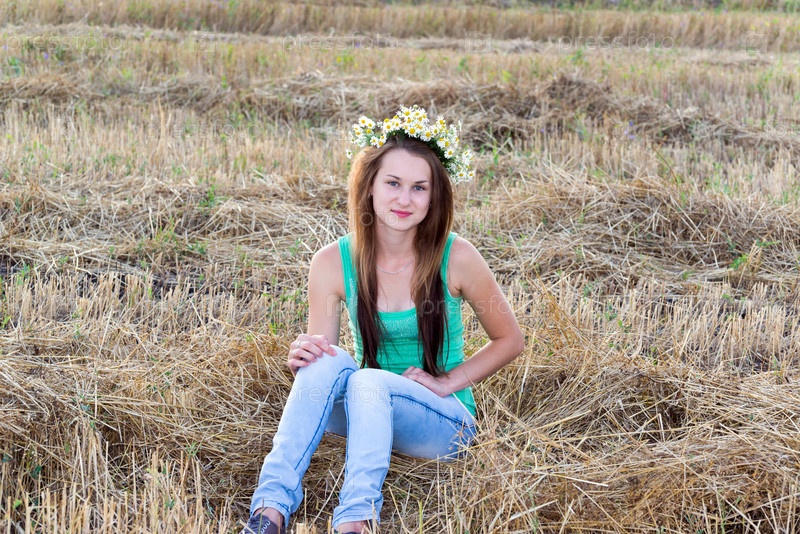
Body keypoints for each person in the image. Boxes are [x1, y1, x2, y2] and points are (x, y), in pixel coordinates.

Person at [242, 105, 524, 534]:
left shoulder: (458, 257)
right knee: (327, 362)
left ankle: (355, 520)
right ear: (369, 187)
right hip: (364, 409)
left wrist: (447, 383)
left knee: (368, 380)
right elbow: (324, 361)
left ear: (434, 197)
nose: (404, 200)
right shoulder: (331, 262)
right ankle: (269, 511)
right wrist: (305, 355)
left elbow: (510, 340)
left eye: (419, 188)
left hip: (441, 423)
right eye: (393, 183)